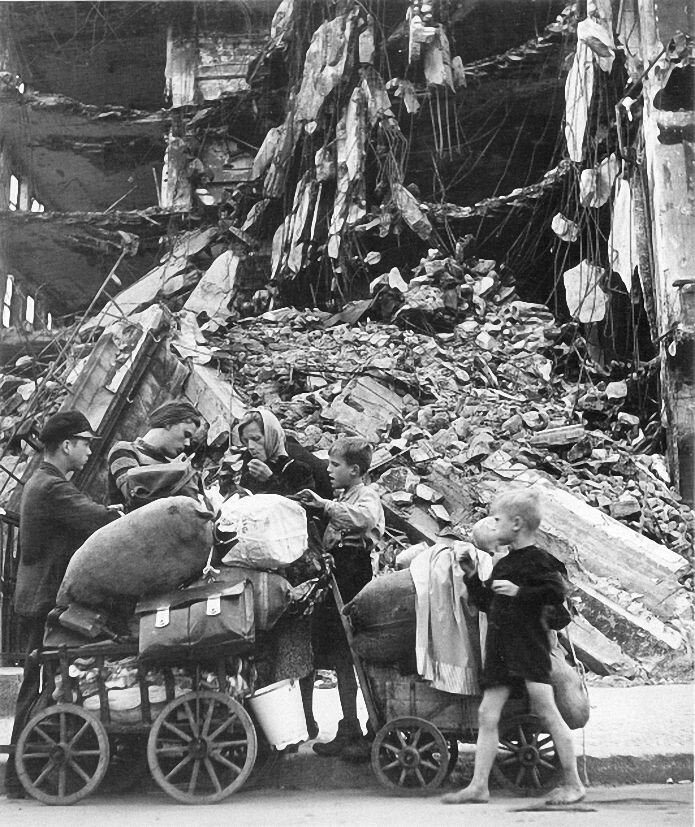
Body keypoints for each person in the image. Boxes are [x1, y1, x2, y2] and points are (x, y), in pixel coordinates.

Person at [442, 488, 586, 807]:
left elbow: (555, 594)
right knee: (486, 714)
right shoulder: (505, 564)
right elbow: (485, 602)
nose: (492, 524)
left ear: (517, 524)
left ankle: (573, 784)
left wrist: (520, 592)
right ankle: (479, 786)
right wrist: (469, 575)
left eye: (497, 519)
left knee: (548, 713)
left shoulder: (540, 561)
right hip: (502, 650)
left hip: (528, 648)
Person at [4, 411, 120, 799]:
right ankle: (23, 773)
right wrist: (121, 515)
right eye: (85, 443)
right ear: (67, 445)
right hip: (44, 601)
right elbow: (94, 518)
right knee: (43, 688)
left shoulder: (45, 481)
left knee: (40, 685)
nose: (89, 450)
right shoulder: (52, 487)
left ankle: (22, 773)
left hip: (37, 598)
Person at [297, 437, 385, 762]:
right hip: (337, 577)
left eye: (335, 465)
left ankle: (366, 725)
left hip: (352, 580)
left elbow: (364, 520)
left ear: (356, 470)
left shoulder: (367, 496)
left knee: (350, 652)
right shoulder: (345, 496)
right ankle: (349, 725)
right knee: (338, 655)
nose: (328, 469)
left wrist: (324, 506)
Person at [107, 400, 203, 510]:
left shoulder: (170, 465)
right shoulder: (125, 450)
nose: (187, 443)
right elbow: (134, 494)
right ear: (168, 423)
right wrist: (176, 473)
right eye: (186, 434)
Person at [237, 409, 323, 497]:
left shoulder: (298, 464)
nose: (250, 446)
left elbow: (303, 506)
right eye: (246, 441)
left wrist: (270, 479)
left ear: (271, 435)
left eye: (256, 439)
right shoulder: (250, 459)